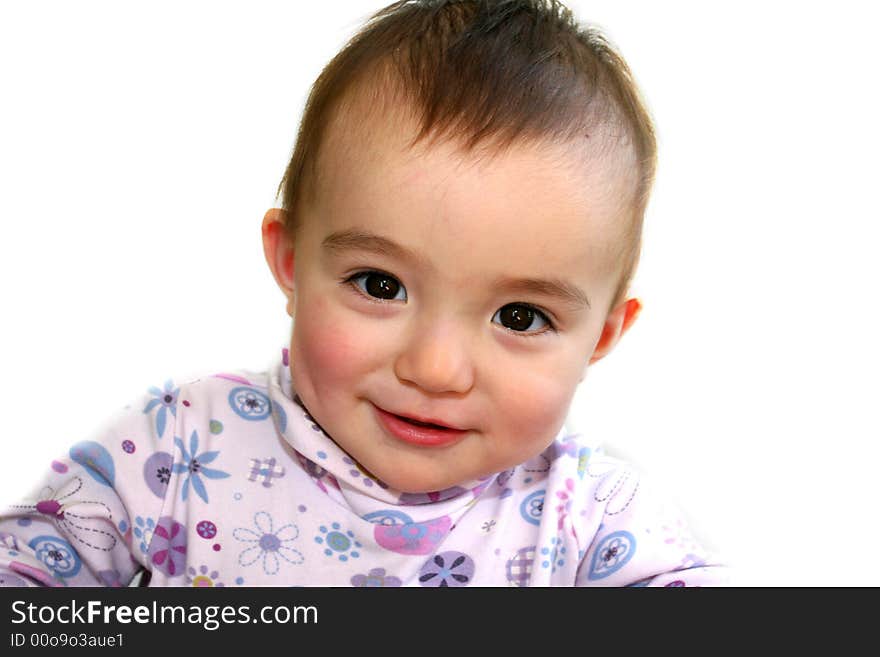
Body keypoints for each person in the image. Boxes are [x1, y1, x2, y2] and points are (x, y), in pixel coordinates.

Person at [0, 0, 727, 587]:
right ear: (290, 260)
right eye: (381, 284)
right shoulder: (184, 445)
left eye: (521, 316)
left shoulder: (593, 519)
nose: (436, 368)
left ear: (601, 335)